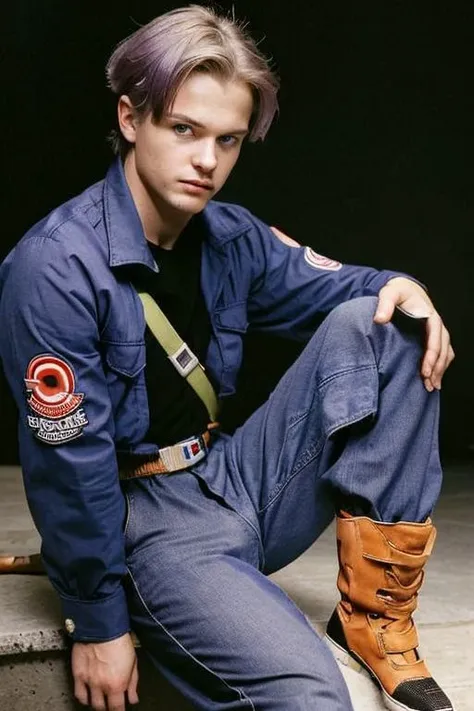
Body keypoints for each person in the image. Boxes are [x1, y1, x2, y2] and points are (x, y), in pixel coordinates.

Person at [0, 5, 456, 711]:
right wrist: (98, 619)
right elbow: (68, 463)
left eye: (229, 140)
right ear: (130, 118)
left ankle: (375, 620)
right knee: (313, 698)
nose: (208, 161)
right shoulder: (55, 269)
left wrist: (403, 286)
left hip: (232, 479)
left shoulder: (229, 235)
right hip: (146, 524)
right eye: (184, 130)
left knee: (391, 323)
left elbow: (345, 289)